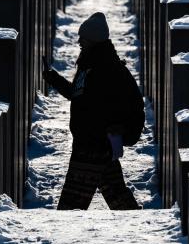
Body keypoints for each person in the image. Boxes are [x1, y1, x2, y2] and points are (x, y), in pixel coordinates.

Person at [43, 12, 144, 210]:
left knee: (71, 206)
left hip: (93, 145)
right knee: (118, 196)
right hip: (92, 142)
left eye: (84, 38)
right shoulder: (88, 65)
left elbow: (128, 104)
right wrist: (54, 79)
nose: (79, 41)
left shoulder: (109, 69)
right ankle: (139, 226)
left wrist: (120, 131)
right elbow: (78, 94)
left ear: (94, 40)